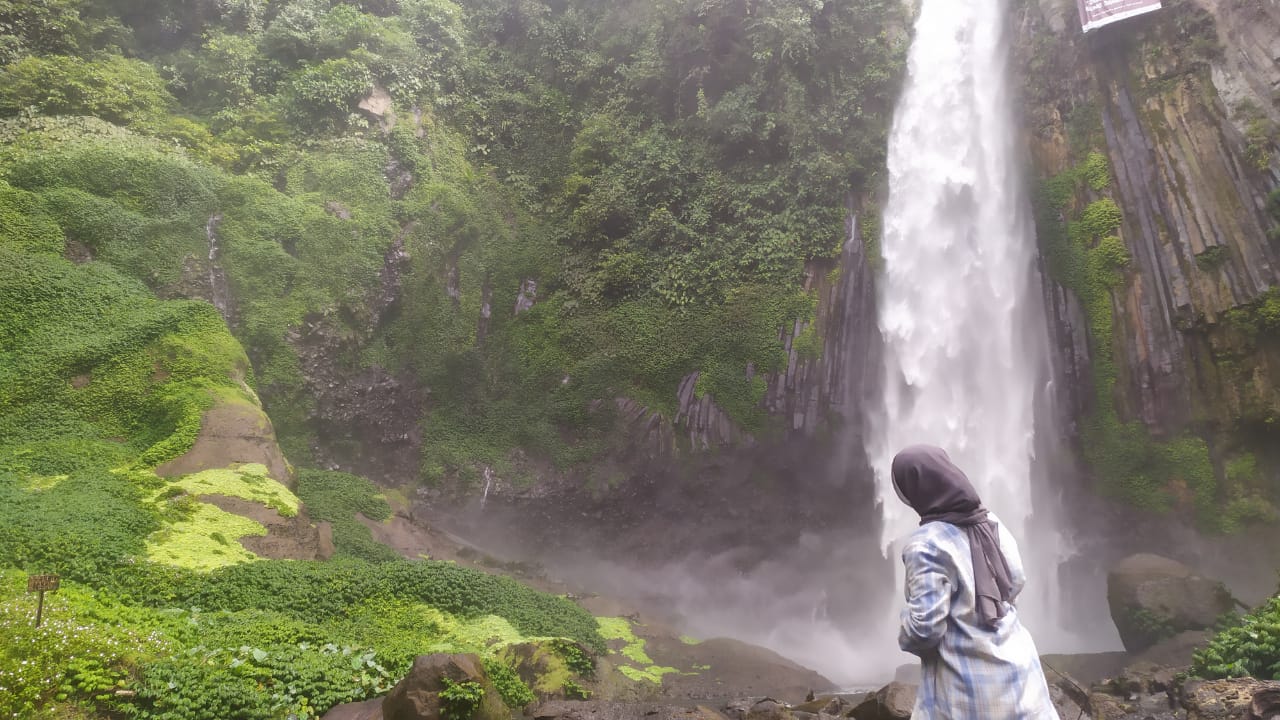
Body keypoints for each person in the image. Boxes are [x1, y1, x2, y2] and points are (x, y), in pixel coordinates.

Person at [891, 444, 1057, 720]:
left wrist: (905, 623)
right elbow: (1016, 581)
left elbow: (924, 629)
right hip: (1021, 677)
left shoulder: (926, 545)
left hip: (969, 691)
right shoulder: (989, 521)